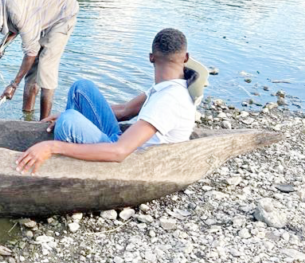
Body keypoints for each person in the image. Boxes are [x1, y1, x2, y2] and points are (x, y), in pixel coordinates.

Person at [16, 28, 196, 174]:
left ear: (151, 57)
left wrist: (52, 147)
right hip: (120, 141)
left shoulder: (168, 100)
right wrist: (75, 114)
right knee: (81, 89)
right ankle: (68, 141)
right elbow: (125, 111)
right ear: (186, 58)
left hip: (130, 160)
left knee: (68, 121)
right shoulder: (165, 88)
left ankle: (63, 159)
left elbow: (119, 152)